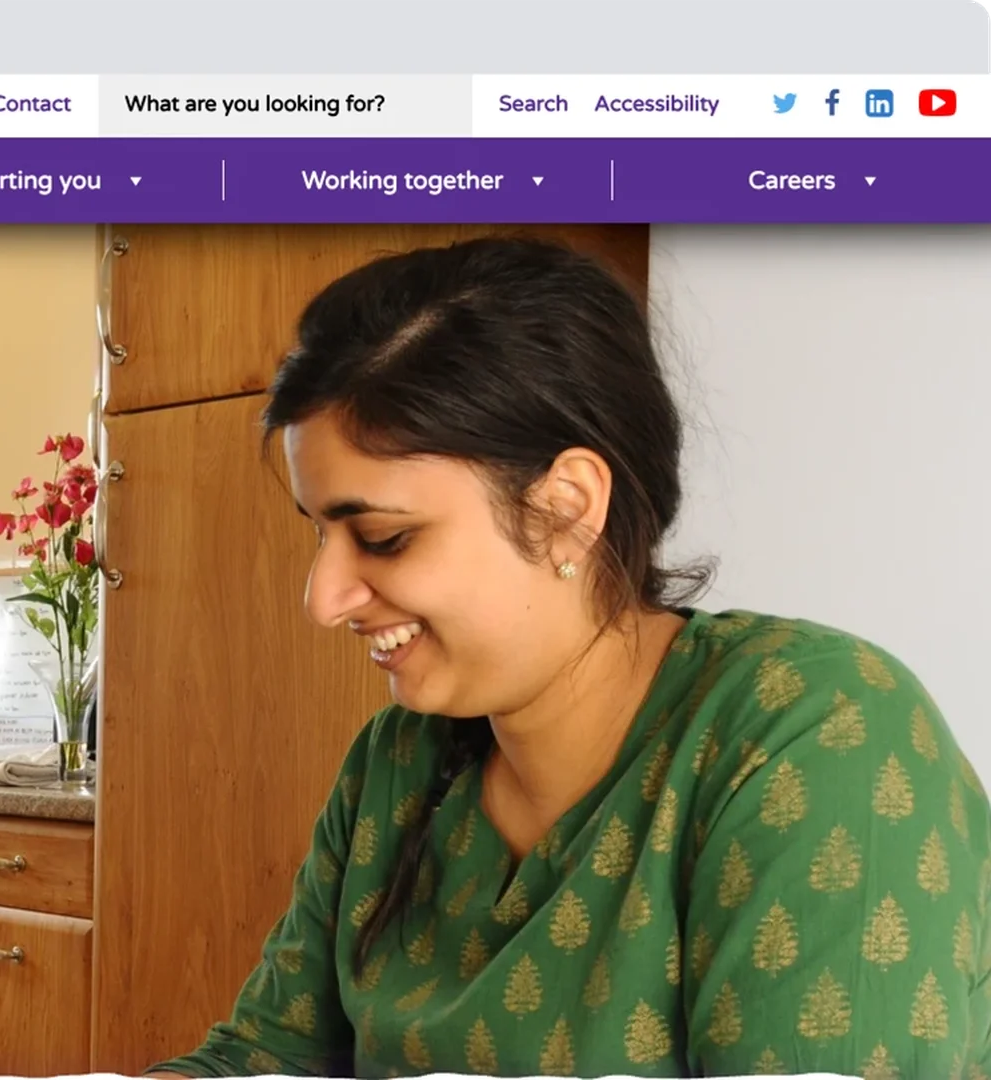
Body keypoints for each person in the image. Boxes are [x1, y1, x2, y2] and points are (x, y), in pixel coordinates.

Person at [150, 237, 989, 1079]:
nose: (322, 598)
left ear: (565, 509)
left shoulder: (814, 735)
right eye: (320, 534)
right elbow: (260, 1063)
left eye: (383, 537)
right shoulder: (396, 767)